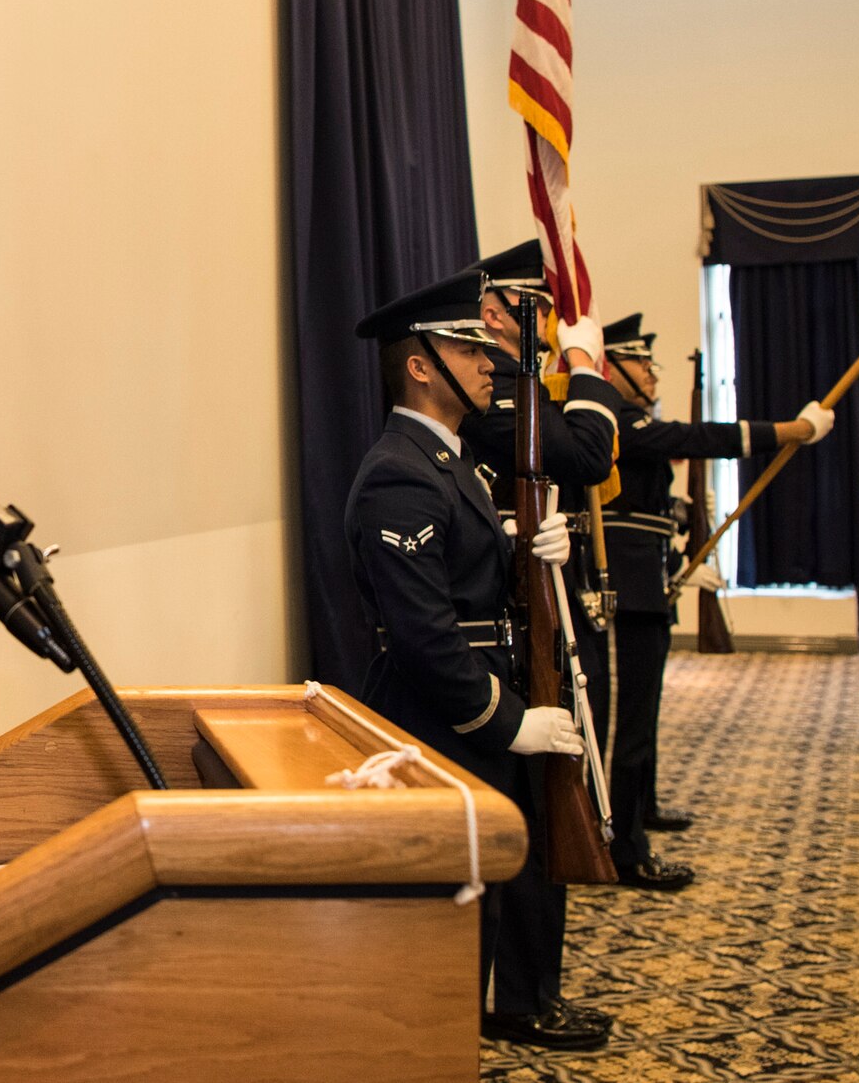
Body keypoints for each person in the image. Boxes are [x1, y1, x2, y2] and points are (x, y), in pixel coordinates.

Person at [344, 269, 609, 1053]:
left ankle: (507, 1009)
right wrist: (506, 719)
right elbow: (425, 632)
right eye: (468, 346)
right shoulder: (398, 470)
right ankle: (442, 1044)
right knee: (464, 888)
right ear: (420, 364)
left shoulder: (448, 460)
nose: (490, 359)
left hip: (487, 692)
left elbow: (467, 574)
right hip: (445, 711)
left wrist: (528, 548)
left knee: (510, 865)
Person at [594, 312, 832, 889]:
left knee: (642, 715)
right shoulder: (617, 421)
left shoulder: (632, 419)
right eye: (641, 363)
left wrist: (678, 555)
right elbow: (694, 438)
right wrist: (786, 432)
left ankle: (640, 809)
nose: (651, 373)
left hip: (647, 579)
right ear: (612, 366)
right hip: (624, 590)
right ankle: (624, 848)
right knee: (626, 723)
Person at [452, 240, 621, 1046]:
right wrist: (585, 364)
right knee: (524, 830)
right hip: (503, 645)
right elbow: (587, 453)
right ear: (497, 313)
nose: (548, 325)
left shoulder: (514, 391)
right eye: (538, 309)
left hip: (540, 623)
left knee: (546, 822)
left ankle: (531, 990)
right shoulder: (495, 400)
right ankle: (518, 996)